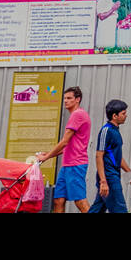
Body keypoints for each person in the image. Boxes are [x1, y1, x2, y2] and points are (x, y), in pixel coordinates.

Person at [36, 85, 92, 213]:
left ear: (77, 100)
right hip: (67, 165)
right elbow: (68, 145)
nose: (65, 101)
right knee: (59, 200)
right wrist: (49, 154)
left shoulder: (77, 114)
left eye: (69, 98)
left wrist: (46, 157)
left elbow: (64, 141)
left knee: (80, 201)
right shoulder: (77, 115)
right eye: (65, 98)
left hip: (76, 164)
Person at [88, 99, 131, 213]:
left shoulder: (116, 131)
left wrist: (129, 173)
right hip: (109, 178)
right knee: (120, 210)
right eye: (123, 113)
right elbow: (98, 156)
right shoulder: (106, 130)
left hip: (113, 177)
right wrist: (103, 182)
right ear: (114, 116)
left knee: (97, 209)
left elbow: (117, 157)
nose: (126, 116)